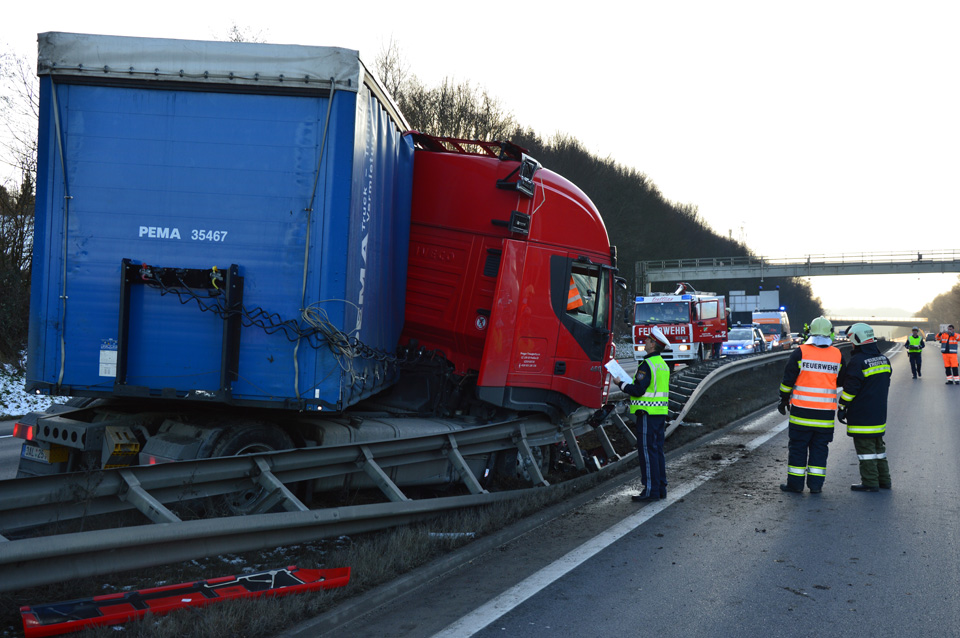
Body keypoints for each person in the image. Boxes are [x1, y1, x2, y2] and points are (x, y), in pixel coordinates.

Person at [777, 316, 845, 494]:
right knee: (820, 449)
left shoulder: (800, 352)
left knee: (798, 448)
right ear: (829, 333)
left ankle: (795, 485)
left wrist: (783, 399)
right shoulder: (837, 354)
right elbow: (842, 380)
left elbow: (787, 380)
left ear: (810, 332)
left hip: (801, 414)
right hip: (825, 416)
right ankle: (815, 486)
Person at [618, 326, 671, 502]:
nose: (645, 342)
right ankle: (660, 488)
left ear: (653, 345)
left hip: (647, 413)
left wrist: (621, 384)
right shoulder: (662, 365)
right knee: (657, 451)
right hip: (659, 413)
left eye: (648, 340)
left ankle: (650, 490)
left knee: (647, 453)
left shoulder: (647, 364)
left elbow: (639, 390)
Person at [838, 323, 892, 492]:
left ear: (857, 339)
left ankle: (870, 482)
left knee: (866, 450)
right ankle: (884, 480)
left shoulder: (857, 361)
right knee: (878, 449)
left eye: (851, 340)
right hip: (879, 413)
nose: (851, 344)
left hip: (862, 414)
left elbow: (851, 389)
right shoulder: (883, 359)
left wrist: (842, 406)